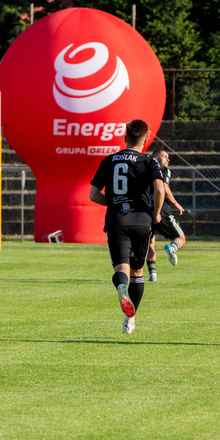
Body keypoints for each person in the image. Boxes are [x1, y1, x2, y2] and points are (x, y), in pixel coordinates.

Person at [90, 119, 165, 334]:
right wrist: (157, 213)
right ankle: (129, 320)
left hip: (117, 221)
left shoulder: (109, 160)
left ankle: (121, 288)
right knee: (138, 272)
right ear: (147, 137)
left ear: (125, 137)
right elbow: (159, 188)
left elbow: (93, 195)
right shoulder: (150, 162)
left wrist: (114, 203)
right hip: (142, 221)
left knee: (121, 269)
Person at [145, 149, 186, 282]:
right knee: (181, 238)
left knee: (150, 242)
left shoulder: (145, 169)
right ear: (156, 159)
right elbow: (164, 187)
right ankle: (172, 248)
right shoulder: (163, 170)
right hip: (160, 209)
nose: (168, 159)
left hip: (145, 209)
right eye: (164, 156)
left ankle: (152, 275)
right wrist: (175, 203)